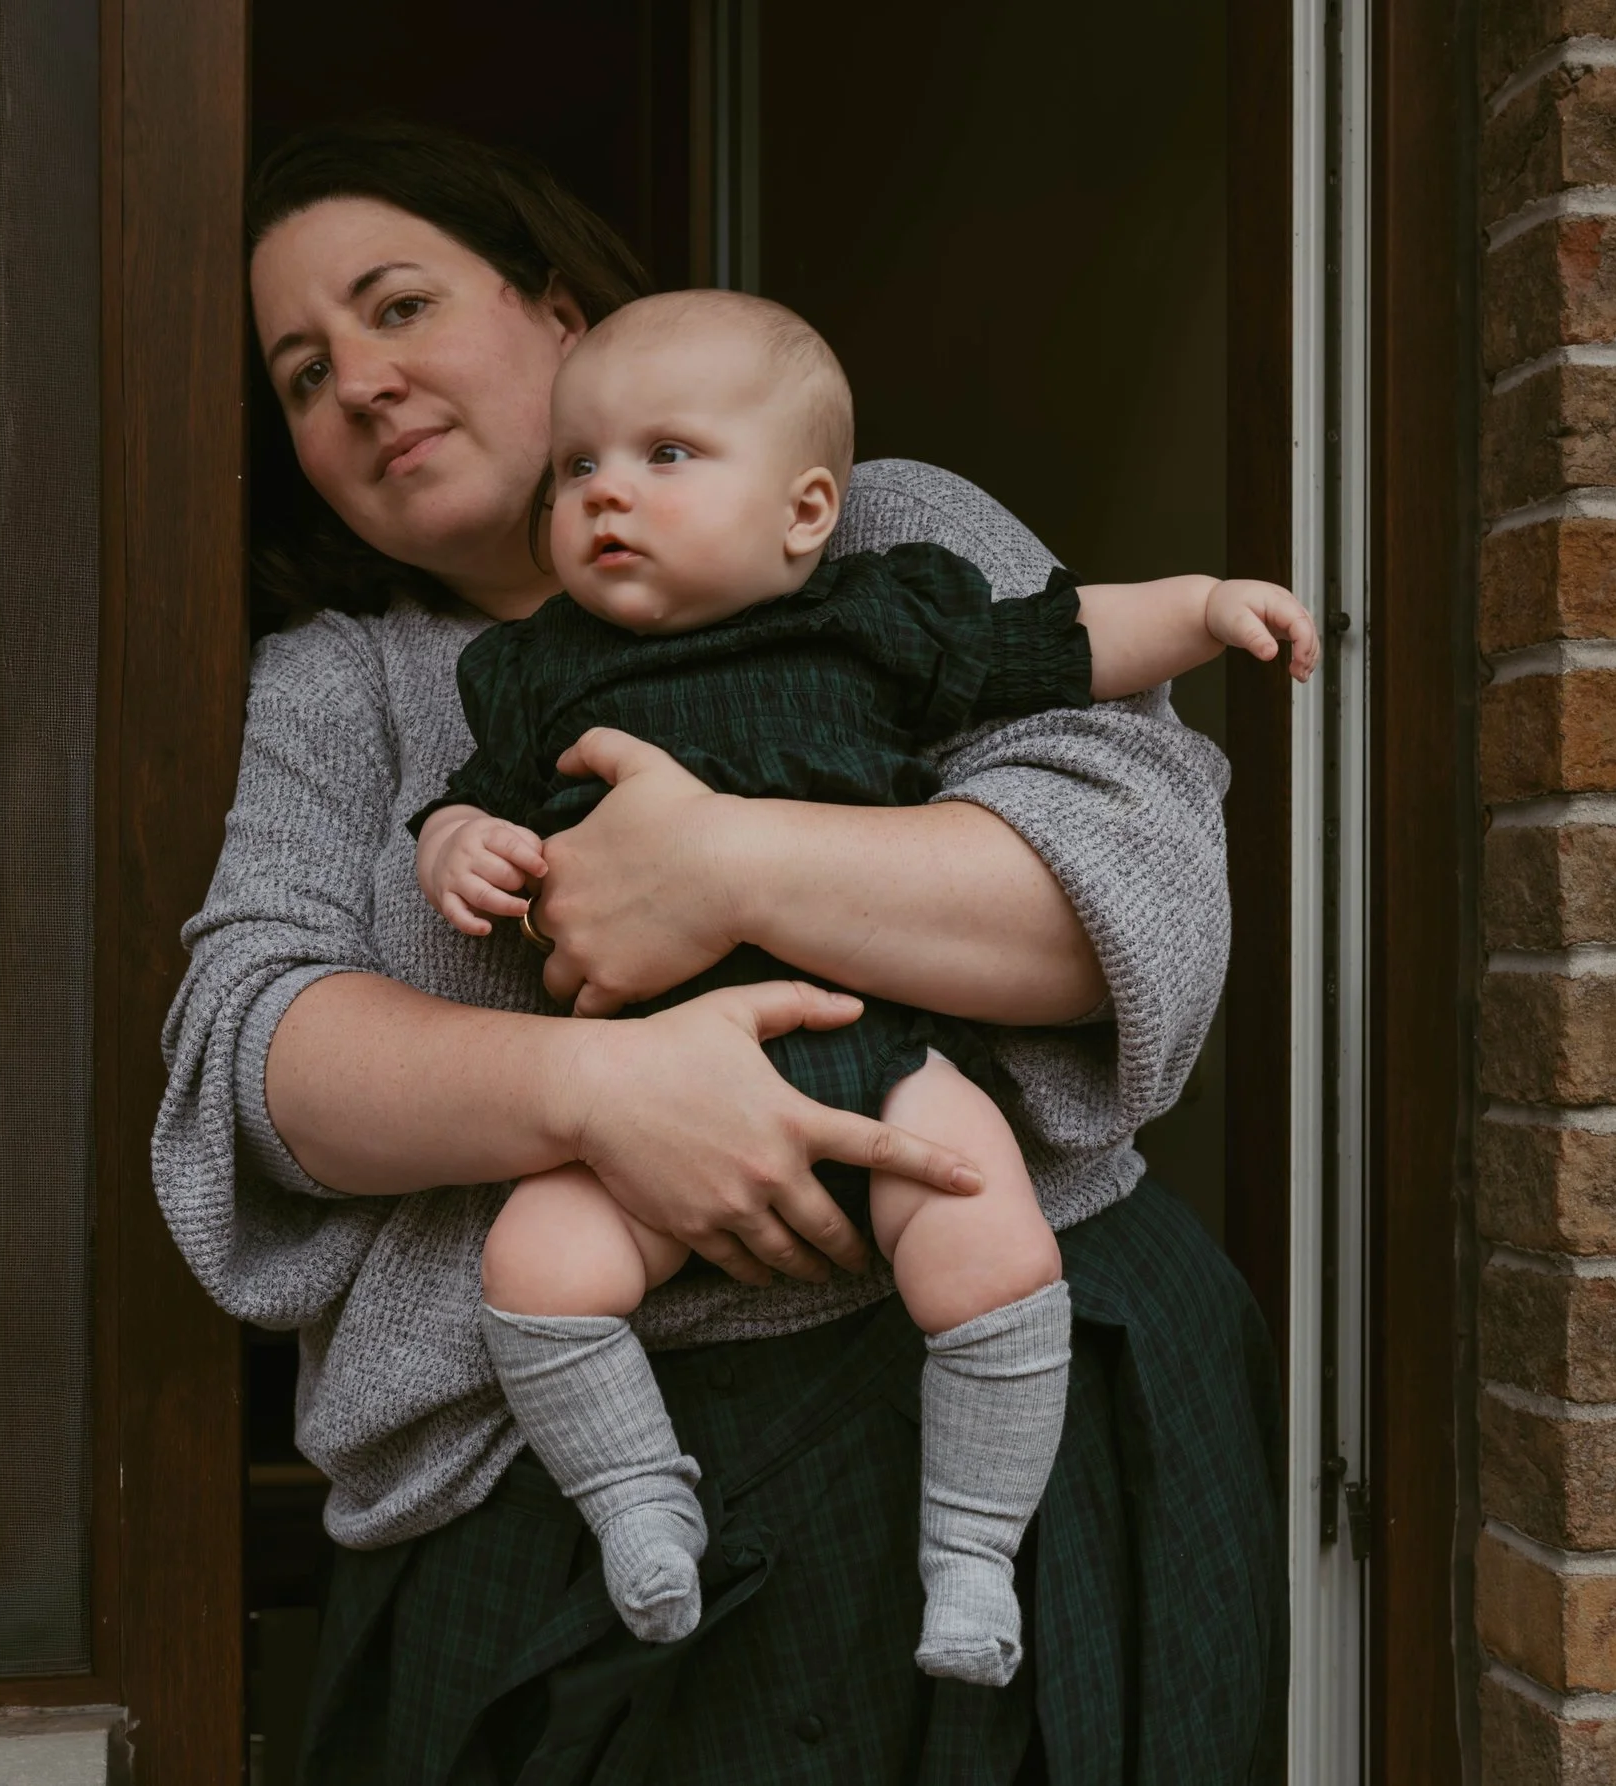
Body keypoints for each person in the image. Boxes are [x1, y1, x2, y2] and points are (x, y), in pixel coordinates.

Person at [155, 118, 1285, 1782]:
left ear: (556, 313)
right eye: (305, 373)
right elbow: (255, 1053)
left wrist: (720, 861)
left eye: (399, 308)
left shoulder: (878, 538)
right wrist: (602, 1088)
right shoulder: (342, 687)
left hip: (1012, 1411)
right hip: (552, 1507)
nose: (361, 386)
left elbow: (1126, 886)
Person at [412, 288, 1313, 1685]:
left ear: (805, 510)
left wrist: (1201, 608)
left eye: (665, 458)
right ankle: (639, 1501)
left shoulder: (881, 617)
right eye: (576, 466)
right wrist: (460, 844)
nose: (605, 495)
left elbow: (1062, 641)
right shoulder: (532, 671)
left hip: (880, 1048)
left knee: (993, 1241)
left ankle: (969, 1552)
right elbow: (468, 801)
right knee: (536, 1270)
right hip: (650, 1079)